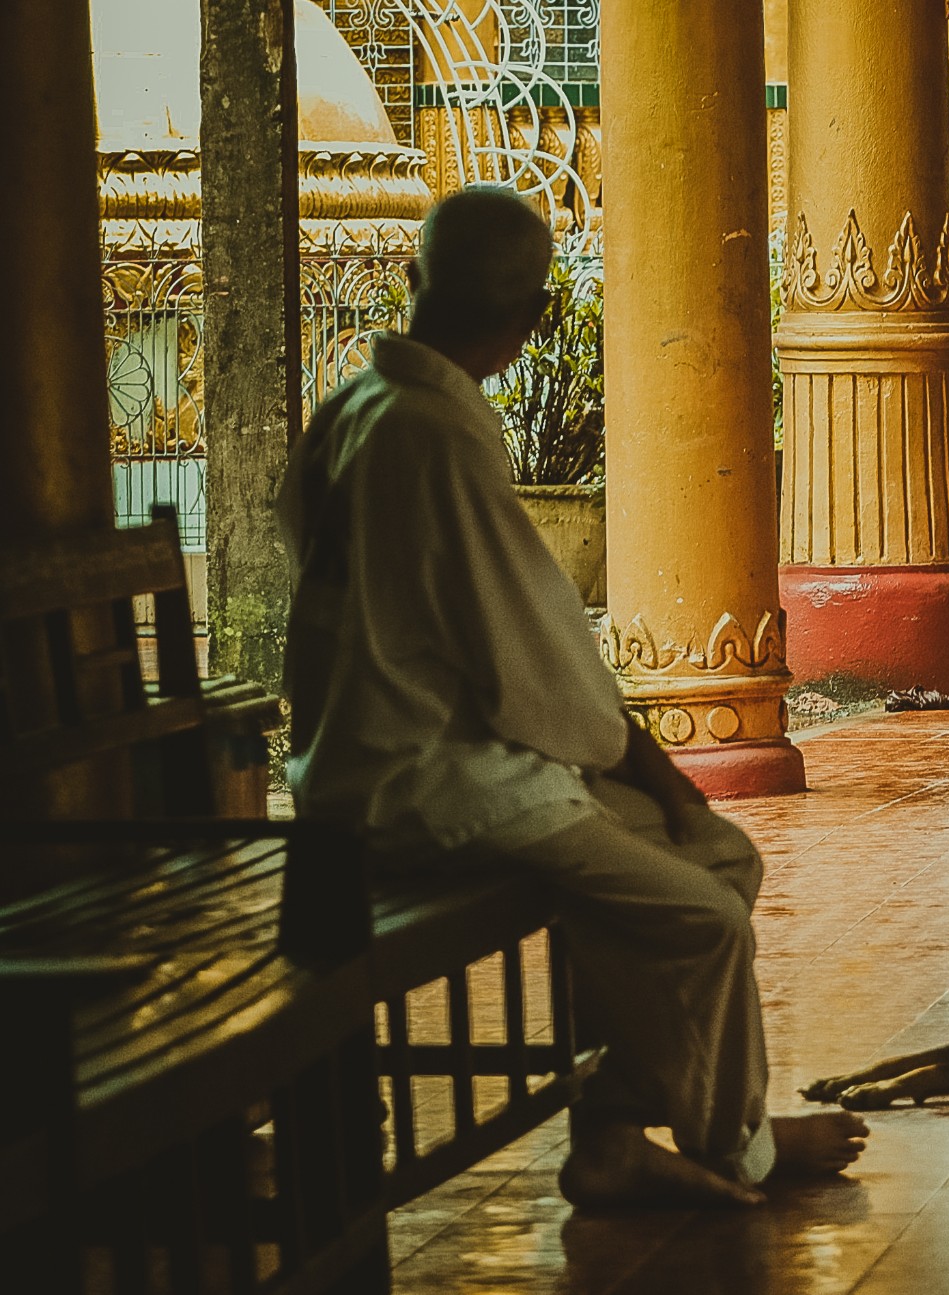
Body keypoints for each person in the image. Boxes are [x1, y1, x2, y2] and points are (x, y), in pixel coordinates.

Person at [280, 187, 869, 1210]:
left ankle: (611, 1129)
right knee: (701, 912)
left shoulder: (357, 408)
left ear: (412, 283)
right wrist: (659, 779)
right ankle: (734, 1148)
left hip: (380, 766)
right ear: (529, 324)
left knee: (718, 856)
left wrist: (662, 790)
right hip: (429, 784)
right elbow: (540, 670)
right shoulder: (434, 434)